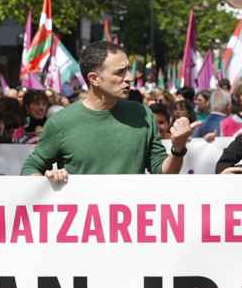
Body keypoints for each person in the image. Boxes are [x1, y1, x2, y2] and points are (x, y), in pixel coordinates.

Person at [20, 41, 192, 182]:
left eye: (128, 70)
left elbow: (163, 174)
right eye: (120, 72)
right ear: (94, 79)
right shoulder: (61, 122)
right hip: (83, 222)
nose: (129, 78)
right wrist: (48, 179)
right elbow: (29, 169)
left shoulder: (142, 114)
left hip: (133, 221)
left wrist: (178, 148)